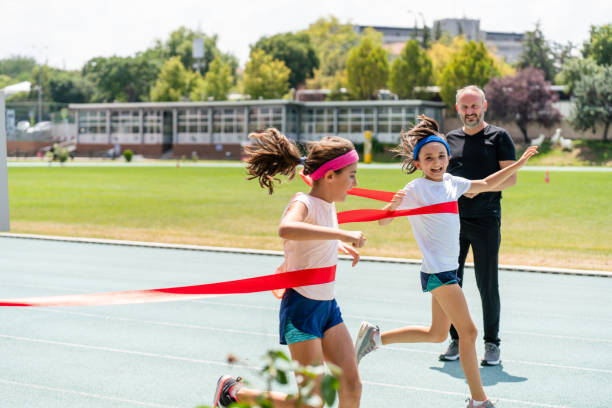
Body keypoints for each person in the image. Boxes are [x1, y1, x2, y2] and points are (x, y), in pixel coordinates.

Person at [353, 115, 537, 408]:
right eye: (429, 158)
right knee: (470, 332)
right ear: (418, 164)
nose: (436, 162)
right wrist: (393, 206)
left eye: (441, 156)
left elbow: (488, 183)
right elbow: (384, 222)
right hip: (439, 273)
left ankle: (375, 338)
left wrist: (518, 164)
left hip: (445, 271)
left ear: (448, 157)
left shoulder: (452, 183)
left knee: (437, 333)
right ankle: (479, 401)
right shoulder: (415, 189)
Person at [213, 128, 366, 408]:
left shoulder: (328, 203)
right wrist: (341, 236)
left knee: (352, 385)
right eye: (352, 175)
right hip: (302, 308)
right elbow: (287, 229)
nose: (355, 182)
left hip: (327, 307)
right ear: (330, 176)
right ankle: (233, 393)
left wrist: (336, 246)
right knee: (312, 402)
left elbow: (312, 239)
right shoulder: (303, 202)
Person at [441, 85, 517, 366]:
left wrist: (479, 190)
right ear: (457, 108)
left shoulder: (499, 137)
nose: (470, 112)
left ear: (484, 106)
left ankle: (492, 343)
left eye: (475, 106)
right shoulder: (449, 139)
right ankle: (458, 339)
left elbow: (510, 179)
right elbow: (441, 179)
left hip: (486, 220)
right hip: (453, 223)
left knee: (487, 284)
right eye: (465, 107)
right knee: (451, 282)